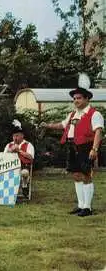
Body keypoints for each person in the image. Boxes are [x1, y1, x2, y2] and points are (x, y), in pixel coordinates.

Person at [41, 75, 103, 216]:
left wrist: (94, 149)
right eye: (74, 99)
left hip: (86, 147)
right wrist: (48, 125)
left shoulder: (95, 114)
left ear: (87, 99)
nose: (76, 101)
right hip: (72, 147)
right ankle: (80, 205)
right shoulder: (72, 114)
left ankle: (87, 207)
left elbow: (98, 132)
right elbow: (62, 125)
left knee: (86, 175)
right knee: (76, 175)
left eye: (79, 98)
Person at [3, 120, 35, 198]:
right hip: (10, 168)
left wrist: (19, 151)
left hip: (23, 167)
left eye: (17, 136)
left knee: (24, 173)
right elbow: (2, 157)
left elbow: (31, 157)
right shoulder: (9, 145)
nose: (15, 138)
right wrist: (9, 151)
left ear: (22, 136)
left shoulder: (28, 144)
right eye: (14, 136)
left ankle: (24, 185)